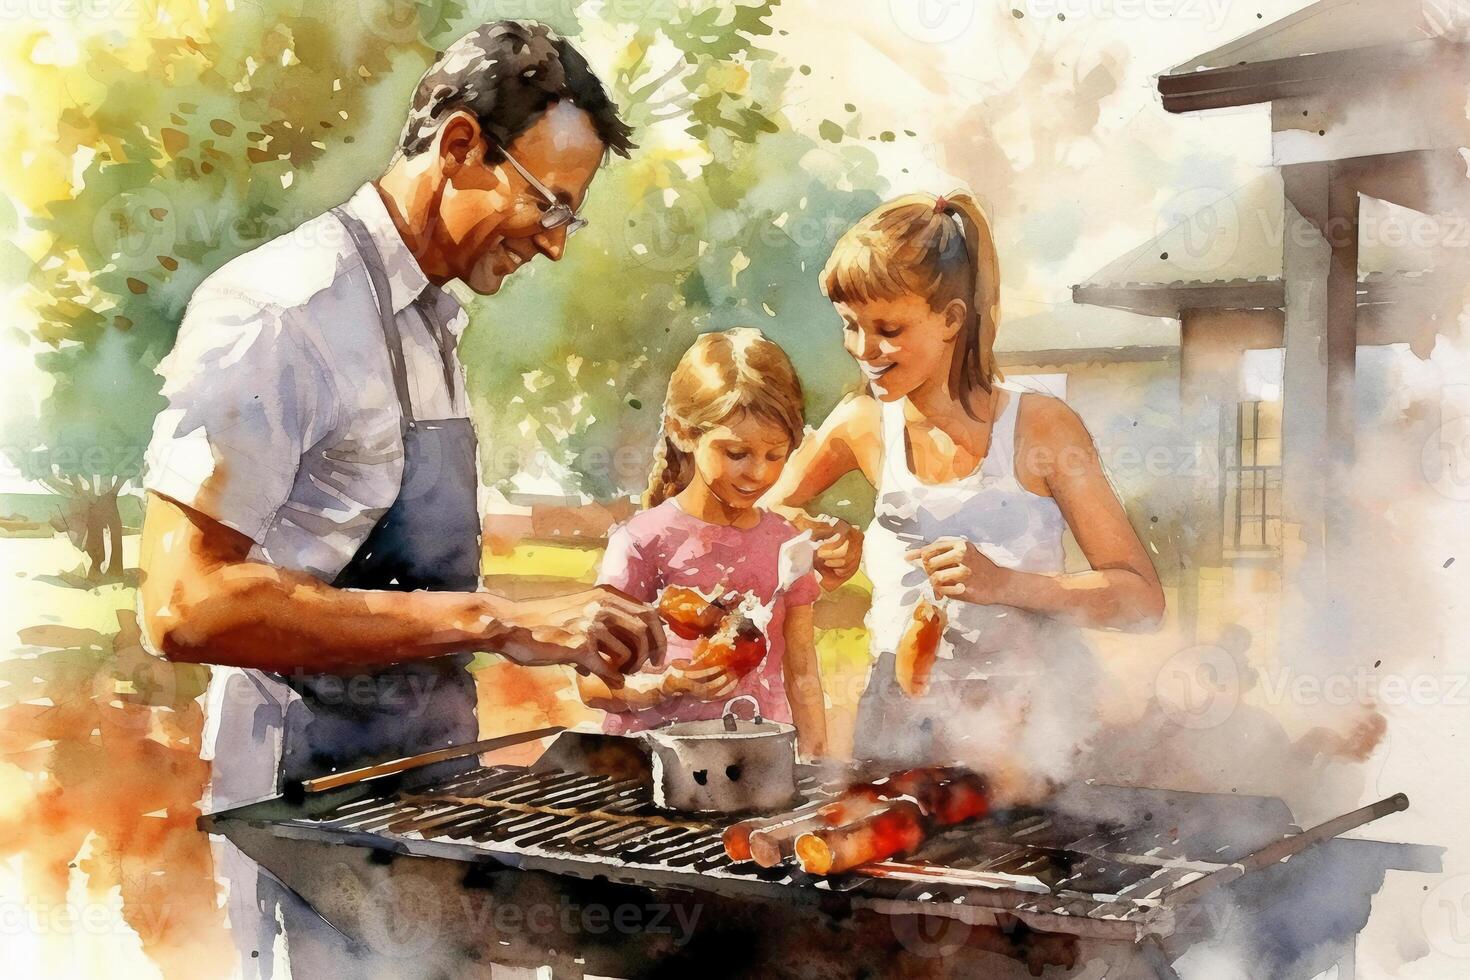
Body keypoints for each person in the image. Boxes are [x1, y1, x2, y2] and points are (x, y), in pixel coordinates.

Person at [137, 21, 663, 978]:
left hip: (430, 795)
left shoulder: (434, 320)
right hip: (305, 816)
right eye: (548, 204)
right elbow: (182, 605)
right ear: (460, 145)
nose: (553, 244)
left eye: (569, 218)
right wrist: (495, 618)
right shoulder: (282, 309)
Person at [764, 191, 1164, 800]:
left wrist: (1008, 586)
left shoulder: (1041, 427)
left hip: (1024, 732)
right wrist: (816, 544)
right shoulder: (861, 424)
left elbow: (1142, 600)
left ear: (952, 319)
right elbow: (763, 519)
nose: (864, 351)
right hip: (895, 721)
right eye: (851, 326)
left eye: (888, 330)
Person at [575, 329, 828, 760]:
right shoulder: (640, 543)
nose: (758, 474)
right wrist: (666, 685)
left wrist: (818, 761)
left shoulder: (786, 546)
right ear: (683, 432)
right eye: (736, 453)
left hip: (754, 764)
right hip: (654, 764)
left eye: (775, 455)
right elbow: (593, 683)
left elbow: (802, 671)